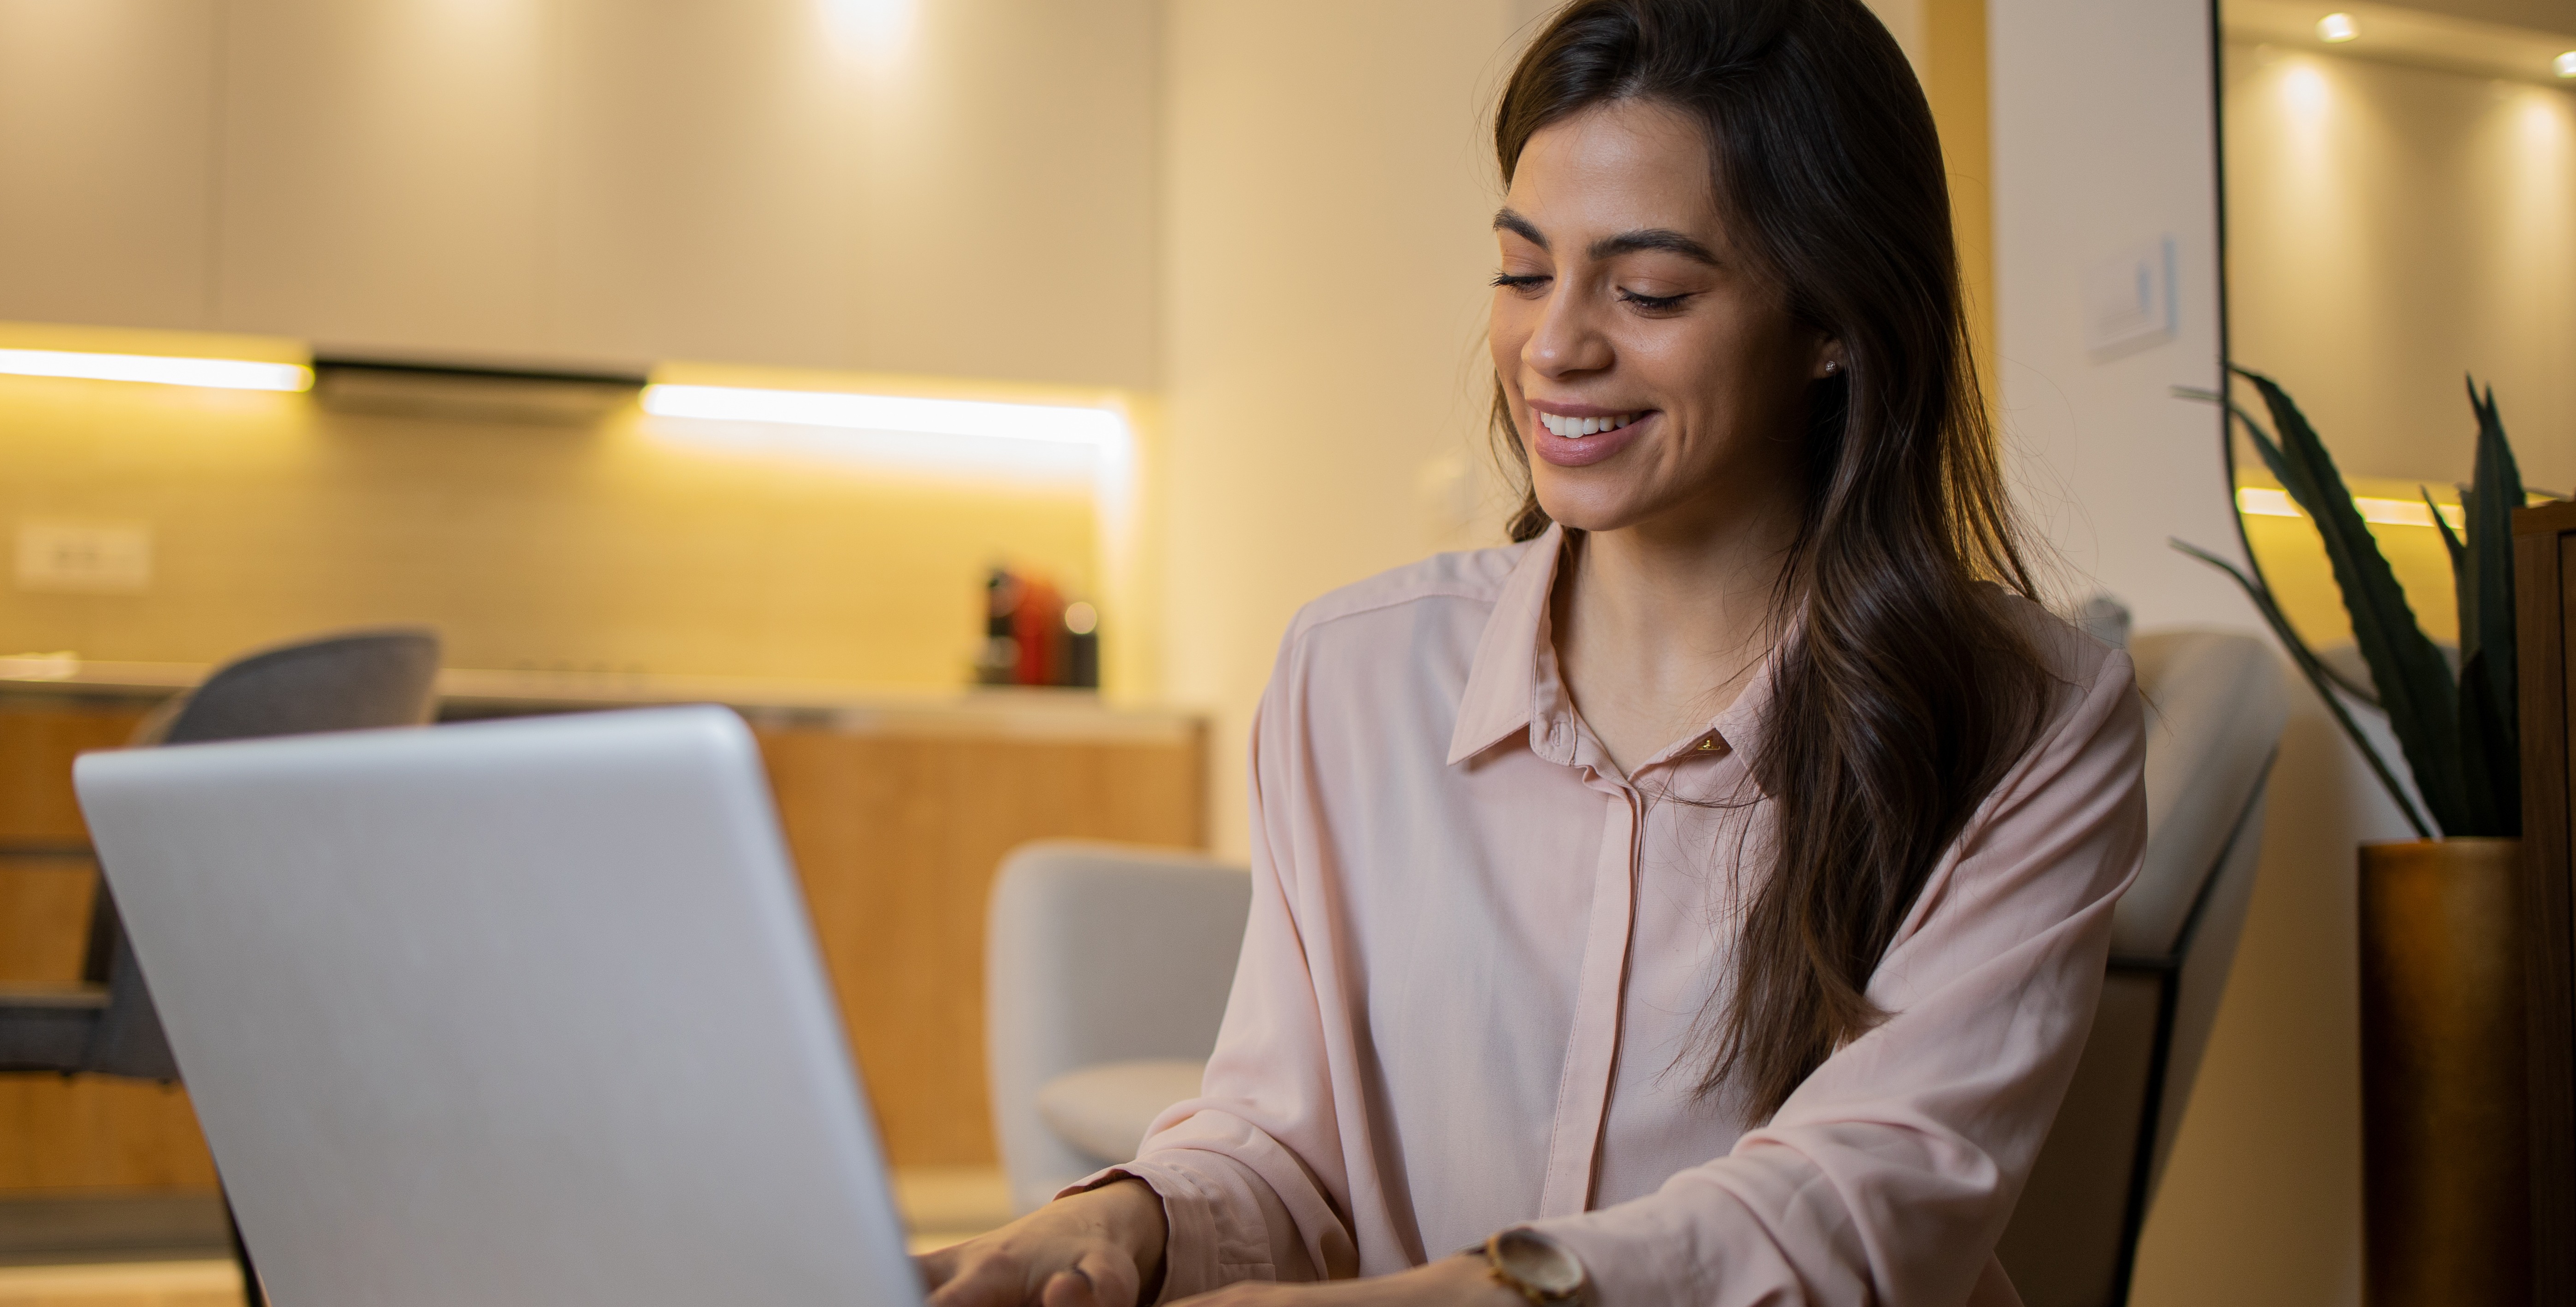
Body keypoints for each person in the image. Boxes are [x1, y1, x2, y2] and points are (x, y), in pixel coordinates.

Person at [919, 0, 2146, 1301]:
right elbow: (1282, 1141)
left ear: (1836, 321)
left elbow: (1869, 1203)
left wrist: (1470, 1291)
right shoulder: (1354, 675)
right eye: (1522, 271)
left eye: (1651, 289)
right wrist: (1128, 1218)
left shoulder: (2031, 717)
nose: (1555, 345)